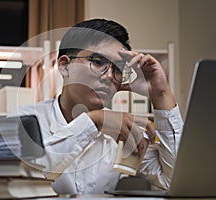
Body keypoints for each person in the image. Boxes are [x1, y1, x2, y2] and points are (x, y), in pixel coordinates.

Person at [14, 18, 183, 194]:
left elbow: (173, 181)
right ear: (65, 66)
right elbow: (25, 175)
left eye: (118, 69)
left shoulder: (120, 129)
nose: (109, 76)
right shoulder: (24, 120)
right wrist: (93, 122)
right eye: (97, 62)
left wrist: (161, 94)